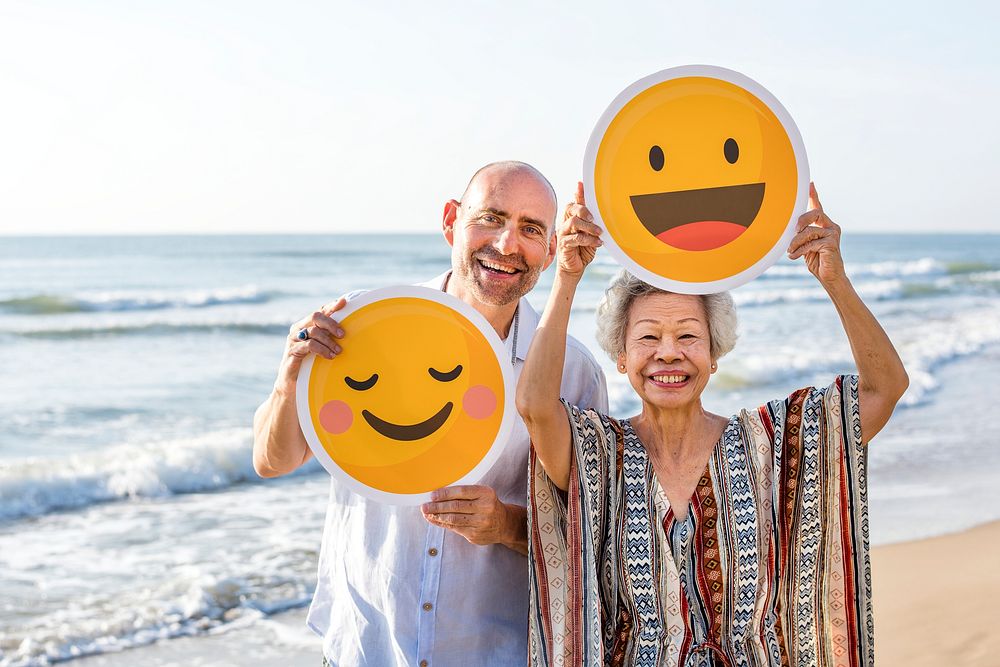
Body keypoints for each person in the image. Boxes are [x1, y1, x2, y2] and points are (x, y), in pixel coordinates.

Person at [517, 182, 908, 666]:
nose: (668, 352)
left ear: (714, 354)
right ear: (621, 357)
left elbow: (883, 389)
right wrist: (567, 279)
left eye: (687, 335)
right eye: (648, 337)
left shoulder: (769, 444)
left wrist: (834, 279)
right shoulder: (600, 456)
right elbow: (535, 405)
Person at [252, 161, 608, 667]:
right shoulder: (364, 323)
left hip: (493, 653)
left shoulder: (574, 373)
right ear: (451, 221)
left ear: (551, 250)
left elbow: (591, 539)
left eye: (531, 229)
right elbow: (273, 460)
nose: (507, 245)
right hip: (367, 646)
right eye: (491, 218)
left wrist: (506, 526)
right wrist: (290, 377)